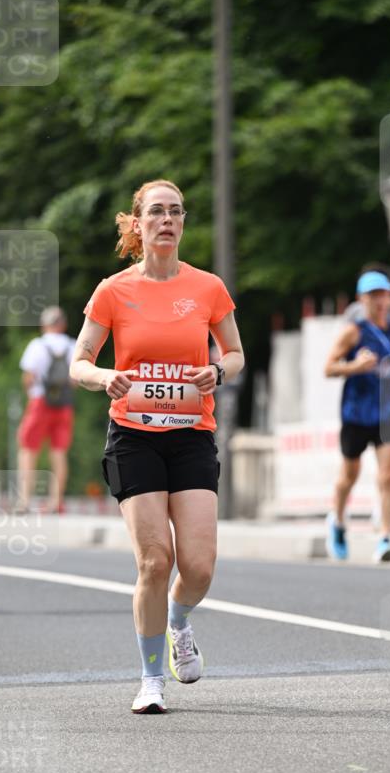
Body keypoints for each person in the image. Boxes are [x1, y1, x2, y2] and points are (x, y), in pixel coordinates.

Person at [70, 179, 244, 714]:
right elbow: (78, 362)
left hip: (191, 434)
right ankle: (150, 680)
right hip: (134, 437)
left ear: (183, 223)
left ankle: (179, 620)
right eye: (156, 212)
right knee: (154, 560)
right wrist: (106, 379)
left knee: (198, 568)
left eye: (175, 212)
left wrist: (217, 371)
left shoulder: (209, 288)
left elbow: (235, 353)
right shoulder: (113, 290)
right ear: (138, 223)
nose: (166, 220)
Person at [324, 270, 390, 563]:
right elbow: (328, 368)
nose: (380, 301)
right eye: (373, 296)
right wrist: (355, 366)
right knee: (349, 475)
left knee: (387, 475)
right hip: (356, 412)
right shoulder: (353, 331)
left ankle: (385, 538)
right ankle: (338, 521)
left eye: (384, 294)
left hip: (388, 412)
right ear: (362, 299)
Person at [17, 306, 76, 513]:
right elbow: (76, 379)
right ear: (63, 324)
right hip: (64, 405)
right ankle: (56, 501)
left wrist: (31, 394)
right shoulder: (72, 346)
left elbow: (28, 376)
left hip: (39, 402)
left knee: (28, 450)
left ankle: (24, 500)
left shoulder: (37, 345)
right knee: (59, 452)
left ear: (44, 325)